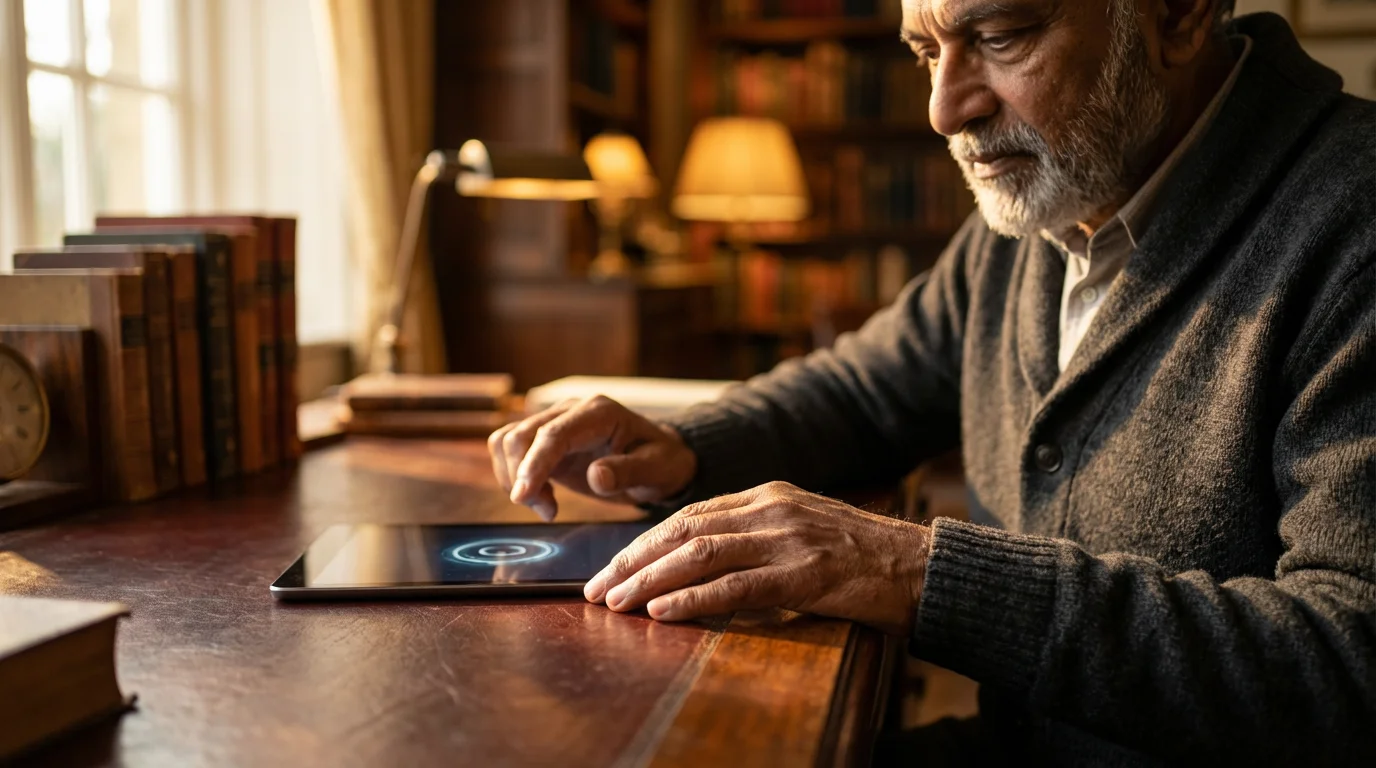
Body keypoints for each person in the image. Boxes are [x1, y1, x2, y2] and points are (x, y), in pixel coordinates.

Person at [488, 0, 1376, 763]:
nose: (945, 110)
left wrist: (916, 571)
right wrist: (685, 446)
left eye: (1001, 35)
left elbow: (1351, 663)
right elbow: (865, 389)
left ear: (1177, 13)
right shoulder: (1049, 203)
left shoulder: (1351, 223)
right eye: (925, 50)